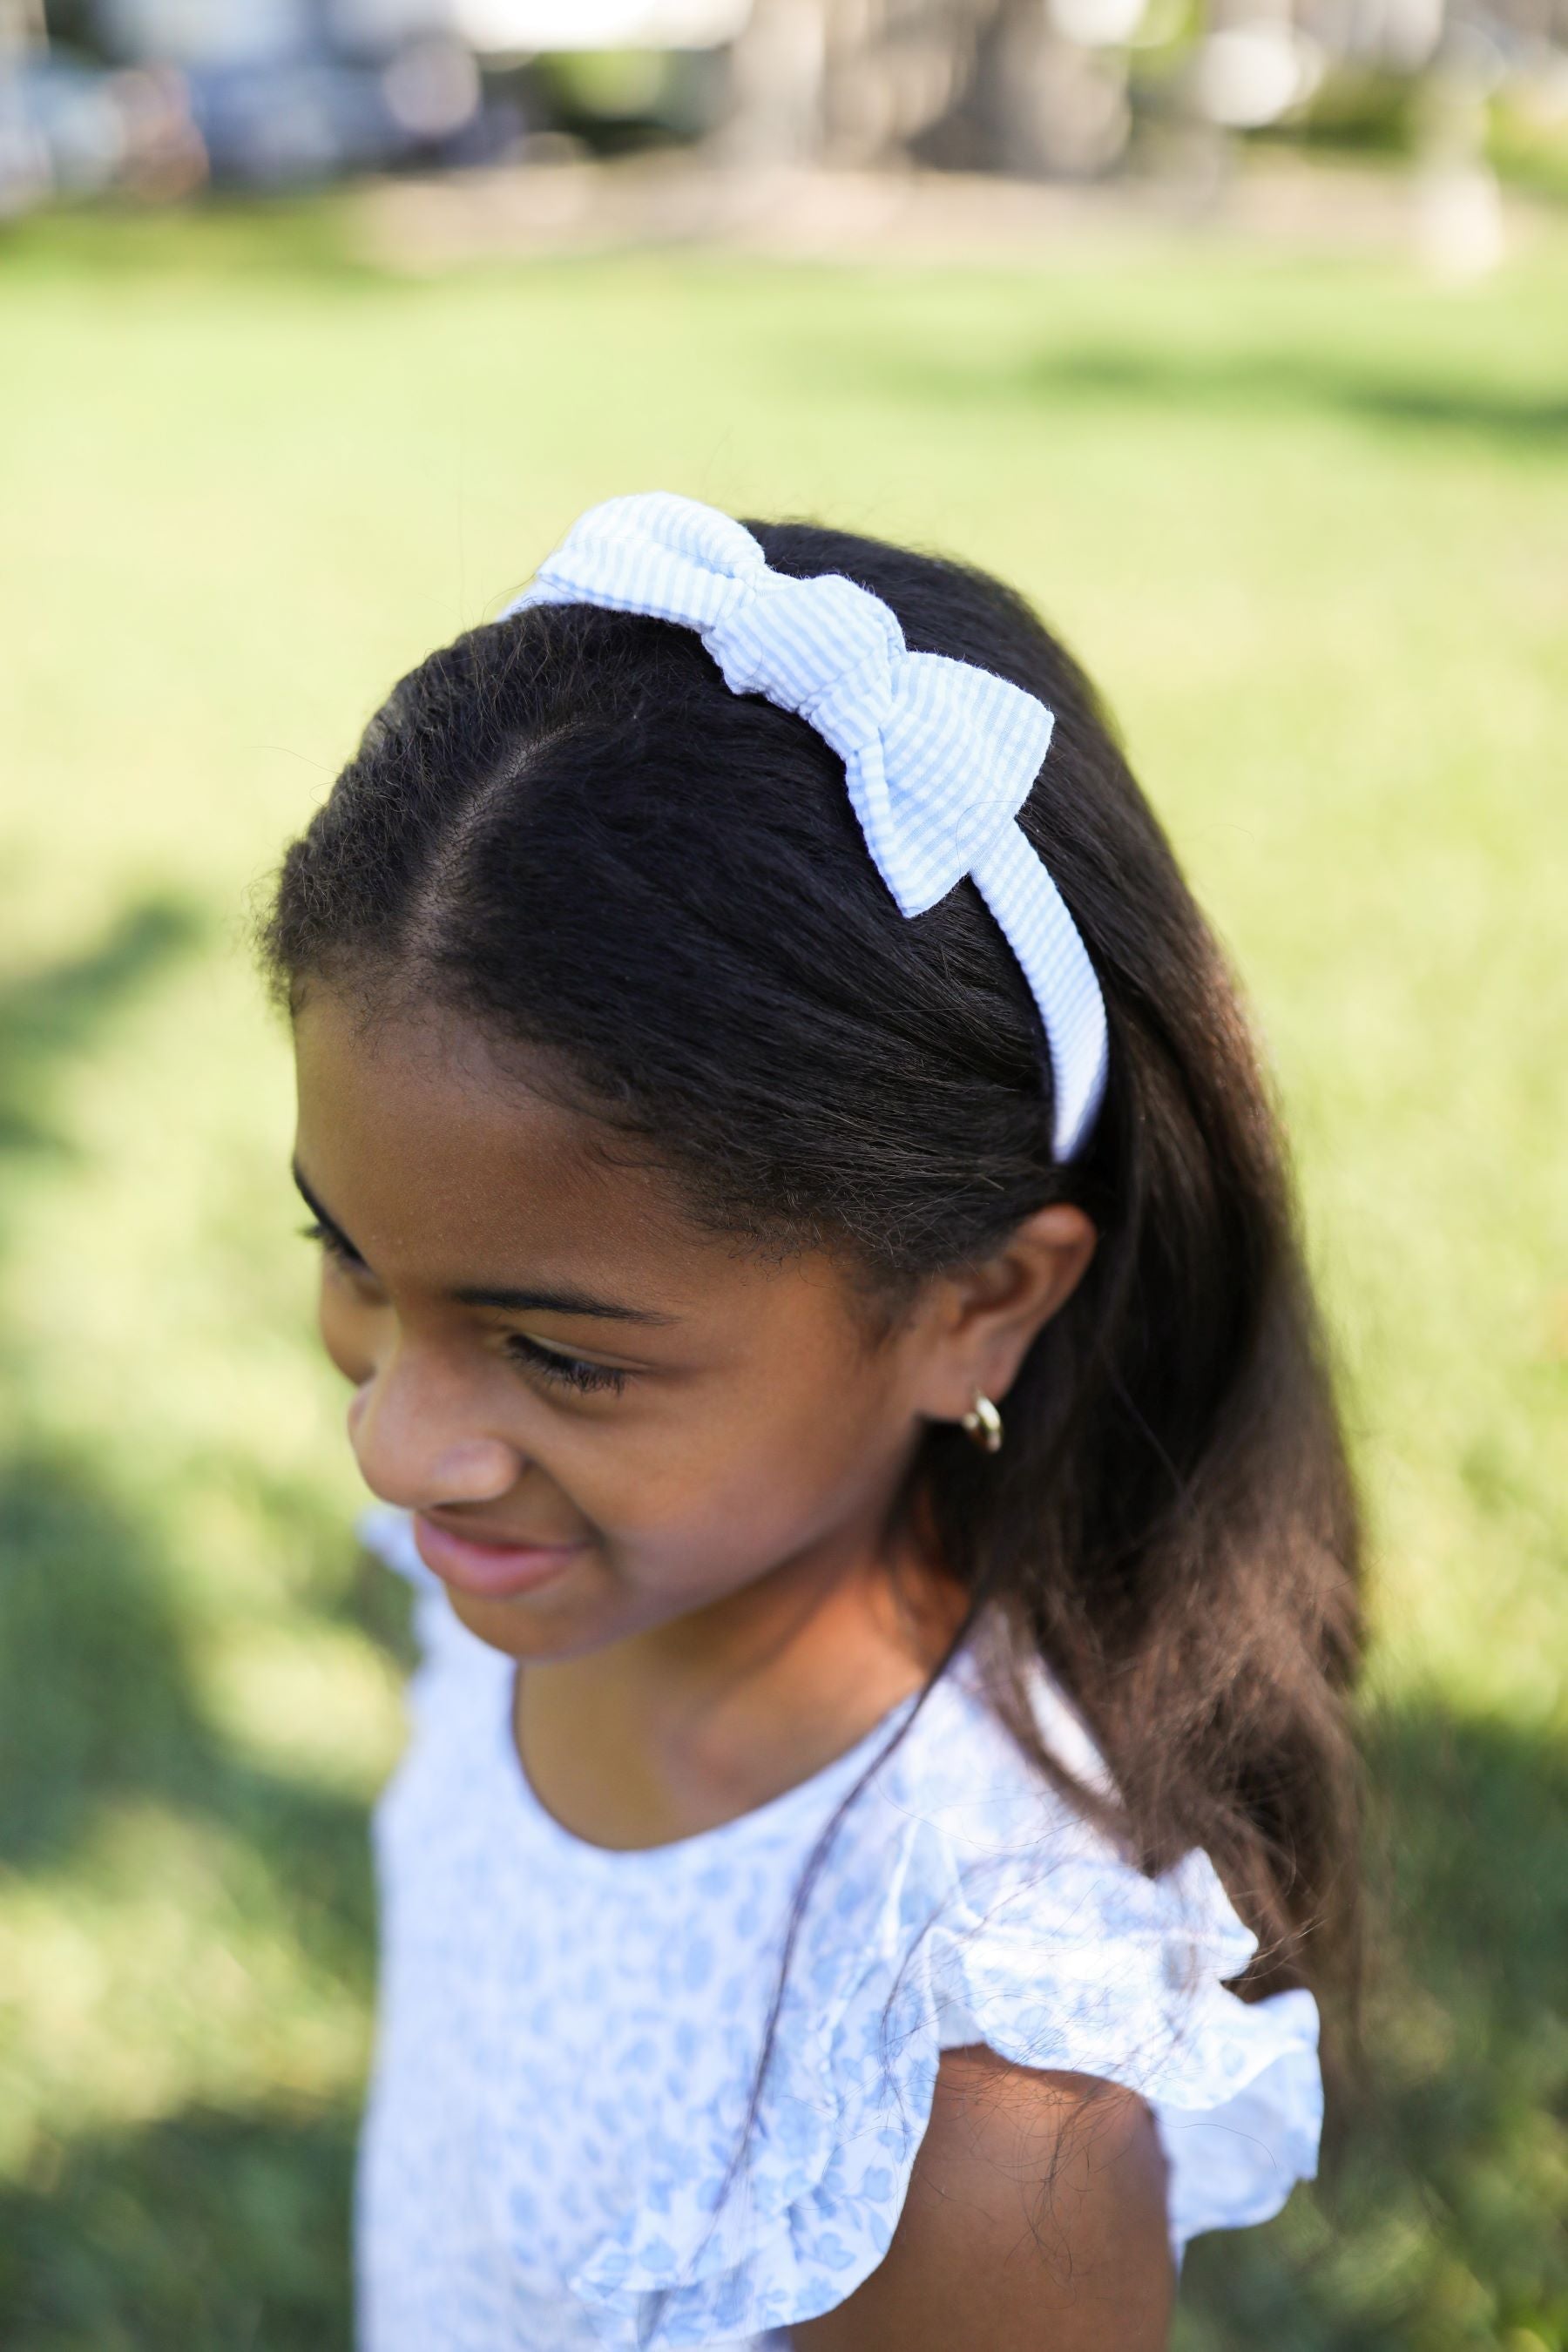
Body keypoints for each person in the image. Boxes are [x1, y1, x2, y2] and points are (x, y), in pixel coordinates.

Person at [261, 491, 1361, 2352]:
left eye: (566, 1355)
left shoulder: (976, 2058)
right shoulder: (542, 1565)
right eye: (349, 1254)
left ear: (977, 1306)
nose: (397, 1443)